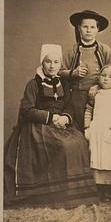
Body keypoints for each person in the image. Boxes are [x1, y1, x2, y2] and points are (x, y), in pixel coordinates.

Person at [4, 44, 98, 209]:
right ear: (42, 63)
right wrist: (51, 117)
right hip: (38, 125)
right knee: (62, 145)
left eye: (56, 62)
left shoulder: (63, 83)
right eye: (48, 61)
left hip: (61, 123)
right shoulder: (33, 84)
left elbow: (69, 105)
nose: (52, 65)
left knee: (80, 142)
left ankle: (73, 192)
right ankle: (51, 192)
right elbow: (27, 110)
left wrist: (64, 118)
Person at [61, 10, 111, 132]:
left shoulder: (104, 49)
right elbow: (60, 71)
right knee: (81, 128)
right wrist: (73, 73)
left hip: (100, 95)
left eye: (92, 27)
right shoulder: (72, 51)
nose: (88, 30)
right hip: (77, 97)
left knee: (99, 126)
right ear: (79, 28)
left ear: (97, 29)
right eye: (85, 27)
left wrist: (99, 86)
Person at [84, 65, 111, 199]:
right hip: (97, 129)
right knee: (97, 155)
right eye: (104, 75)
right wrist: (87, 128)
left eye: (110, 77)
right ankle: (99, 186)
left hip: (110, 129)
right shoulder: (94, 94)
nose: (106, 79)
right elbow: (88, 111)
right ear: (99, 77)